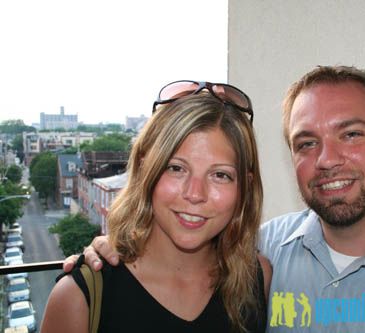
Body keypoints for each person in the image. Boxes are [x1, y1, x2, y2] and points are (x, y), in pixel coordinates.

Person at [64, 67, 365, 332]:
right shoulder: (263, 254)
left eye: (350, 134)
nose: (327, 160)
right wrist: (111, 246)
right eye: (306, 142)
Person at [42, 81, 271, 333]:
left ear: (245, 187)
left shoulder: (258, 280)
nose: (195, 194)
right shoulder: (78, 298)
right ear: (144, 170)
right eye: (176, 168)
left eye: (220, 175)